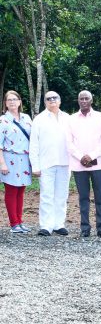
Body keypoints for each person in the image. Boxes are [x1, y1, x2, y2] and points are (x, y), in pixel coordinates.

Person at [67, 91, 101, 239]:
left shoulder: (100, 117)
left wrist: (91, 156)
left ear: (91, 100)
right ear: (78, 101)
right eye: (81, 98)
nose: (84, 101)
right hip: (79, 164)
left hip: (98, 164)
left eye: (87, 98)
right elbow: (69, 142)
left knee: (100, 197)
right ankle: (85, 228)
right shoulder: (71, 119)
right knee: (83, 197)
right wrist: (81, 157)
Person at [29, 91, 71, 237]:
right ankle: (46, 226)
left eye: (55, 98)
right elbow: (33, 144)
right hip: (46, 163)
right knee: (46, 195)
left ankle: (59, 224)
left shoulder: (68, 118)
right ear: (45, 102)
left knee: (62, 195)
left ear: (60, 101)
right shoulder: (39, 119)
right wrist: (35, 166)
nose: (52, 100)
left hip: (65, 163)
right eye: (48, 98)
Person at [0, 91, 32, 233]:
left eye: (15, 99)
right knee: (11, 190)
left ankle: (20, 221)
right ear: (5, 104)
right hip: (10, 158)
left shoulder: (26, 118)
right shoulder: (3, 120)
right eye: (9, 100)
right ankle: (14, 224)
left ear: (19, 102)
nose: (12, 102)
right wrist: (2, 163)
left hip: (25, 159)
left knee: (21, 191)